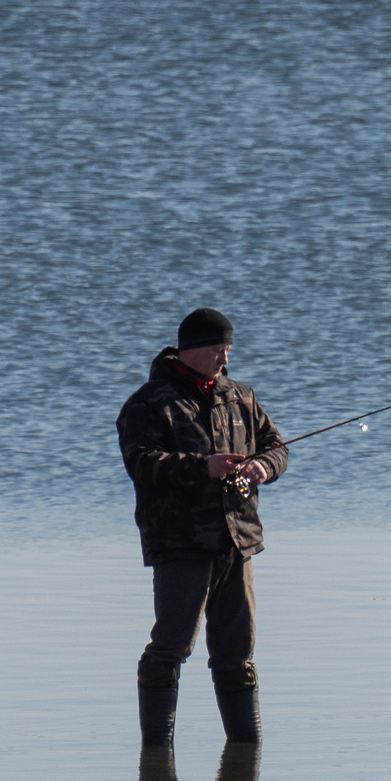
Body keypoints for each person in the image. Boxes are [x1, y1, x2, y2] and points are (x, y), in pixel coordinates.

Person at [117, 308, 289, 747]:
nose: (225, 357)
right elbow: (142, 463)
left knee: (238, 656)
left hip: (238, 542)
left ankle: (246, 753)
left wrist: (262, 468)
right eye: (217, 348)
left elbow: (277, 447)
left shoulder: (241, 397)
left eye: (228, 348)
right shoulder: (148, 403)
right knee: (170, 650)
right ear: (191, 349)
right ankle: (156, 755)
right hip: (182, 545)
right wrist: (205, 467)